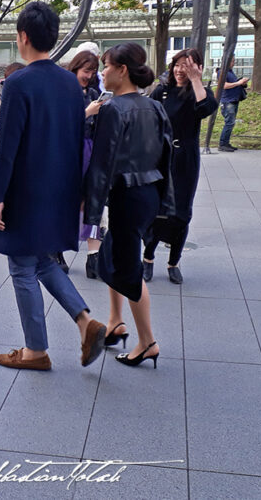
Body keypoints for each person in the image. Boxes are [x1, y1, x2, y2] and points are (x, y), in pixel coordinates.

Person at [0, 1, 106, 372]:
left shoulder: (19, 82)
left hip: (25, 191)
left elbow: (6, 147)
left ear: (23, 37)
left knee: (21, 266)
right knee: (41, 260)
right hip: (60, 189)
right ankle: (86, 321)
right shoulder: (70, 83)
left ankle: (35, 350)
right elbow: (75, 138)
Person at [84, 42, 174, 369]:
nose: (102, 72)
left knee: (127, 268)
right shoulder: (154, 107)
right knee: (112, 257)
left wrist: (90, 211)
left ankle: (148, 341)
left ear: (122, 70)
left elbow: (101, 164)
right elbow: (167, 158)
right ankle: (115, 321)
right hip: (148, 196)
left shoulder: (113, 109)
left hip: (125, 196)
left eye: (106, 66)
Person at [145, 48, 218, 285]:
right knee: (157, 211)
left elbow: (205, 109)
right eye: (177, 65)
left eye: (187, 66)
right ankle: (147, 258)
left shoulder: (200, 92)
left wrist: (196, 80)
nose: (180, 71)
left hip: (185, 158)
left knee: (182, 212)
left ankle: (173, 262)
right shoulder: (162, 90)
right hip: (161, 157)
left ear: (197, 68)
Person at [68, 50, 103, 278]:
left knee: (92, 200)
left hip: (91, 149)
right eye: (86, 71)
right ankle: (56, 251)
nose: (89, 76)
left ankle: (93, 257)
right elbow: (62, 126)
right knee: (67, 200)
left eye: (93, 72)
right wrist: (87, 112)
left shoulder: (93, 92)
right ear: (75, 68)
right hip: (70, 151)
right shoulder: (65, 92)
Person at [217, 56, 247, 152]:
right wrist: (239, 83)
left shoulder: (230, 72)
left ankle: (226, 142)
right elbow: (224, 85)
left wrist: (242, 83)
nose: (234, 63)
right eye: (232, 61)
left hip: (233, 100)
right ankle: (222, 144)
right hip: (227, 101)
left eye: (234, 61)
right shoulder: (222, 72)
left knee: (231, 123)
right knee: (229, 123)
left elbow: (234, 83)